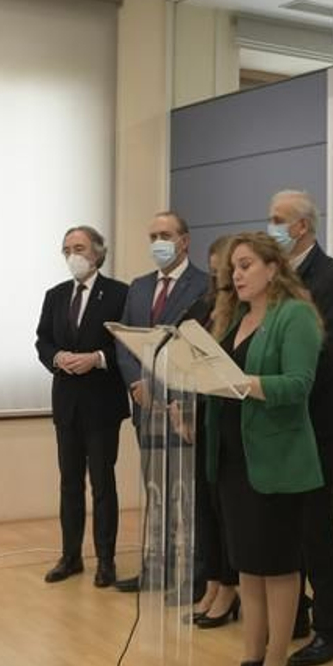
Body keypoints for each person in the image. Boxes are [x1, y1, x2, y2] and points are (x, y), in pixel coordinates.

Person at [207, 232, 324, 666]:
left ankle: (278, 663)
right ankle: (250, 658)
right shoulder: (233, 315)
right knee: (247, 569)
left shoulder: (293, 315)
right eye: (233, 267)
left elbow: (298, 384)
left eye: (247, 265)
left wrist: (243, 383)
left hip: (276, 460)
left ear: (274, 269)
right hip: (234, 459)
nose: (236, 274)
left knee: (276, 567)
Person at [266, 189, 333, 666]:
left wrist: (276, 381)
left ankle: (330, 627)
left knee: (318, 525)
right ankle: (292, 614)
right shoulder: (273, 277)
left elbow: (325, 347)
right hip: (277, 417)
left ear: (301, 226)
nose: (271, 227)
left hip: (316, 418)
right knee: (285, 524)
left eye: (277, 220)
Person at [113, 211, 208, 594]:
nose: (158, 242)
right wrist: (138, 382)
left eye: (165, 234)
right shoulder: (137, 287)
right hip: (144, 406)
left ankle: (194, 574)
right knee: (155, 491)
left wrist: (165, 391)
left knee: (188, 495)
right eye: (152, 235)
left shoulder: (206, 285)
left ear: (185, 241)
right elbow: (124, 342)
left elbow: (200, 348)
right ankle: (155, 568)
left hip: (182, 407)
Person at [34, 226, 130, 587]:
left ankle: (106, 561)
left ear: (98, 253)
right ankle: (70, 556)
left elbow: (127, 344)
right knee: (69, 484)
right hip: (67, 404)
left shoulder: (119, 293)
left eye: (79, 248)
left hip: (103, 404)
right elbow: (42, 340)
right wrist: (57, 356)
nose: (73, 255)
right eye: (67, 249)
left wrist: (99, 358)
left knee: (103, 485)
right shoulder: (55, 295)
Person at [187, 236, 241, 628]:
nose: (218, 274)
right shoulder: (203, 306)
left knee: (226, 511)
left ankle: (229, 586)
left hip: (231, 423)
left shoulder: (243, 312)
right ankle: (212, 581)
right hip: (200, 417)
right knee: (205, 509)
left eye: (223, 266)